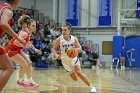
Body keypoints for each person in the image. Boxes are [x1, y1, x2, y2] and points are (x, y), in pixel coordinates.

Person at [52, 23, 96, 93]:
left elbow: (80, 48)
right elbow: (53, 49)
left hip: (73, 58)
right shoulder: (59, 39)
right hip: (65, 61)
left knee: (78, 72)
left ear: (69, 31)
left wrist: (73, 50)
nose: (63, 32)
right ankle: (74, 72)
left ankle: (92, 87)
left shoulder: (74, 39)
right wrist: (56, 55)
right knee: (75, 78)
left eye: (65, 30)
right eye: (62, 30)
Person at [5, 15, 42, 88]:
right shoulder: (25, 33)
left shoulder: (29, 32)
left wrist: (35, 49)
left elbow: (28, 43)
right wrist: (25, 46)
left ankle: (30, 81)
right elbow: (15, 42)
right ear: (28, 25)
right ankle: (20, 81)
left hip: (17, 49)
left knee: (29, 63)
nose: (35, 27)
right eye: (33, 26)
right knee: (24, 64)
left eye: (35, 25)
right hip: (11, 50)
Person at [0, 0, 26, 92]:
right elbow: (3, 24)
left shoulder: (1, 7)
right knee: (9, 68)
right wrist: (18, 38)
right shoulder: (8, 10)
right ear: (16, 1)